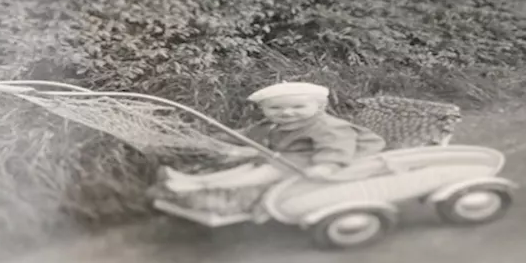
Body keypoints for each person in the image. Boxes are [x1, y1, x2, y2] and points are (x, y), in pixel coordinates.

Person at [161, 81, 386, 194]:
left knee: (263, 172)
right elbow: (249, 135)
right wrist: (218, 137)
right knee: (249, 167)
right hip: (288, 157)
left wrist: (326, 166)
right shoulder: (274, 124)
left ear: (319, 106)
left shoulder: (328, 126)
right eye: (276, 109)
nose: (287, 113)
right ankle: (195, 182)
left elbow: (336, 147)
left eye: (298, 107)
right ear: (265, 110)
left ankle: (204, 187)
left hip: (318, 160)